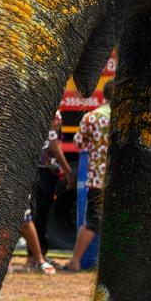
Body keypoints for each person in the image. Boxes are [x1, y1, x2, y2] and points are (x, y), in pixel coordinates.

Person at [62, 81, 115, 272]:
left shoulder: (92, 117)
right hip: (119, 180)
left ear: (104, 96)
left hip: (96, 177)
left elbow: (78, 143)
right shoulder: (125, 119)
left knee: (91, 222)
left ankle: (75, 261)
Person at [32, 110, 73, 261]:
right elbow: (55, 146)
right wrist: (68, 171)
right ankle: (38, 255)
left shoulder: (42, 111)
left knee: (37, 213)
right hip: (47, 171)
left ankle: (37, 254)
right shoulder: (54, 114)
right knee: (41, 214)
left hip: (40, 168)